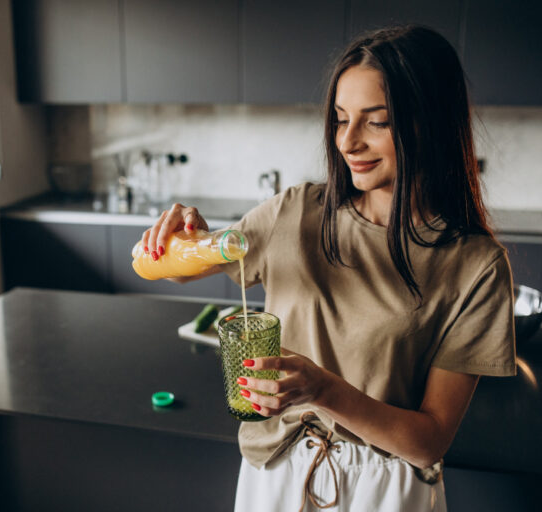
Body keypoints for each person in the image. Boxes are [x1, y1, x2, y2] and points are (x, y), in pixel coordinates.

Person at [140, 25, 515, 512]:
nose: (349, 142)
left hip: (384, 490)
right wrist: (181, 239)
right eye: (341, 120)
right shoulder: (296, 212)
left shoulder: (476, 265)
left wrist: (324, 390)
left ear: (430, 122)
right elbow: (178, 270)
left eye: (376, 122)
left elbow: (429, 441)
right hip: (274, 474)